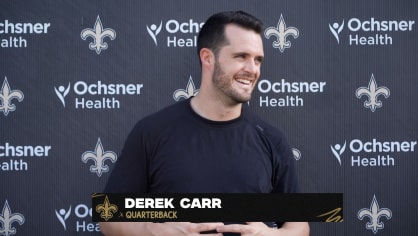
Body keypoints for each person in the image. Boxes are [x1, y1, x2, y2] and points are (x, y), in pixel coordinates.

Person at [100, 10, 310, 236]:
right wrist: (159, 232)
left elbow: (298, 227)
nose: (253, 69)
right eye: (241, 56)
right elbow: (108, 217)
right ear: (208, 58)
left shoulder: (272, 139)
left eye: (258, 59)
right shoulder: (152, 132)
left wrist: (271, 235)